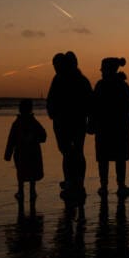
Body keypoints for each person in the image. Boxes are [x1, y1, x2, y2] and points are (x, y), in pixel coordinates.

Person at [46, 51, 93, 203]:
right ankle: (75, 182)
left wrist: (53, 113)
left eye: (56, 65)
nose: (55, 68)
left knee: (70, 152)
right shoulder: (79, 79)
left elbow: (89, 102)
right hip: (70, 121)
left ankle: (73, 182)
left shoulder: (64, 79)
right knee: (74, 152)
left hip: (69, 122)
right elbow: (90, 102)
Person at [88, 57, 129, 198]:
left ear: (109, 70)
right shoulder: (122, 86)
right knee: (116, 158)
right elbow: (127, 110)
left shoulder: (101, 85)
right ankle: (119, 185)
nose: (101, 72)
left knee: (106, 158)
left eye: (103, 69)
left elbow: (93, 107)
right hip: (117, 128)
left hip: (107, 128)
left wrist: (91, 124)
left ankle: (106, 186)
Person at [4, 98, 47, 214]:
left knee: (21, 172)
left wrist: (8, 154)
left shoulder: (17, 123)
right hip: (32, 152)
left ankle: (21, 191)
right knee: (30, 172)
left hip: (22, 152)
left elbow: (11, 140)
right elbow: (44, 136)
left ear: (20, 109)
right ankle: (32, 191)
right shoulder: (33, 122)